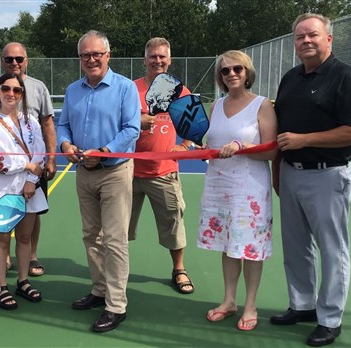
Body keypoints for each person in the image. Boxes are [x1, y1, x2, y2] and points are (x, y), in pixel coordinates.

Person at [270, 13, 351, 347]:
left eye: (312, 35)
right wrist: (277, 170)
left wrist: (304, 140)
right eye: (300, 37)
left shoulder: (345, 77)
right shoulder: (290, 78)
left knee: (332, 249)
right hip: (291, 174)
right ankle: (302, 306)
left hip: (328, 174)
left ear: (328, 38)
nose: (306, 41)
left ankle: (330, 318)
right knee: (296, 247)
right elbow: (281, 127)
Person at [57, 30, 140, 333]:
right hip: (83, 172)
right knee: (91, 235)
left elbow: (131, 129)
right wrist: (65, 145)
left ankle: (116, 305)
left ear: (108, 55)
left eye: (96, 54)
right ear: (80, 58)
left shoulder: (125, 88)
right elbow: (63, 124)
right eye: (85, 55)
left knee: (115, 239)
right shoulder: (73, 90)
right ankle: (100, 290)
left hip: (115, 171)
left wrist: (104, 152)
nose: (91, 59)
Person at [197, 50, 277, 331]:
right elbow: (213, 145)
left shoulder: (262, 105)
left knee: (250, 248)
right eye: (225, 71)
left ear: (247, 73)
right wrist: (195, 149)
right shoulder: (216, 106)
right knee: (229, 245)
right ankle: (229, 301)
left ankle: (250, 304)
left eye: (237, 69)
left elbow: (271, 151)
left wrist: (242, 148)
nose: (231, 74)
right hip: (220, 185)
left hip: (250, 190)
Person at [0, 42, 55, 278]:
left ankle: (29, 264)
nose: (15, 63)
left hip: (33, 176)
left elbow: (46, 125)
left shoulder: (37, 89)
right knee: (3, 229)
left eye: (19, 58)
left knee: (29, 223)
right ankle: (3, 268)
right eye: (9, 59)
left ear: (26, 60)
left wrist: (40, 166)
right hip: (5, 180)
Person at [129, 37, 195, 295]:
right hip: (128, 172)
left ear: (169, 60)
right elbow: (117, 121)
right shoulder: (130, 89)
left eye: (162, 56)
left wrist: (186, 145)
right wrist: (139, 120)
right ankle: (114, 270)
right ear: (145, 60)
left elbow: (194, 124)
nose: (157, 60)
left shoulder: (180, 91)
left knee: (173, 223)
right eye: (152, 56)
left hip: (164, 172)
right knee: (118, 226)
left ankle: (179, 269)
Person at [0, 73, 47, 310]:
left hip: (29, 189)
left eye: (17, 90)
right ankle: (1, 287)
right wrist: (27, 165)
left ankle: (22, 281)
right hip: (4, 192)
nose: (11, 94)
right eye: (6, 88)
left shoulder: (32, 121)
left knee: (25, 237)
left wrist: (31, 179)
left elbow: (41, 152)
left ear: (21, 94)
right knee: (2, 239)